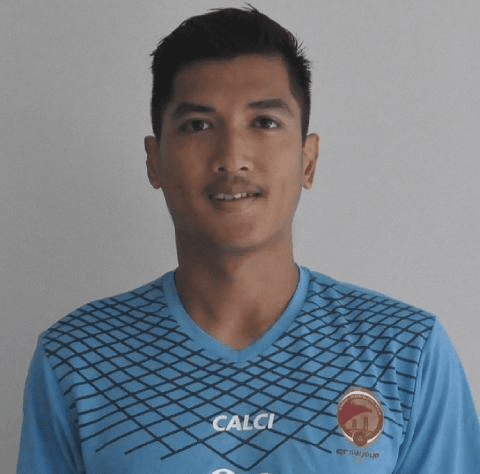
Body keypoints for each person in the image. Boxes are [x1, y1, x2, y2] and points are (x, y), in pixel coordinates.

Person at [17, 5, 480, 474]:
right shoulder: (78, 360)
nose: (232, 157)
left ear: (308, 159)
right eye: (198, 125)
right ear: (155, 160)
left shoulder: (405, 353)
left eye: (264, 122)